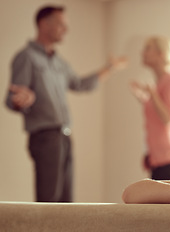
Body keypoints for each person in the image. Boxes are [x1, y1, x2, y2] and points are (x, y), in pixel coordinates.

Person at [4, 5, 127, 202]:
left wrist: (109, 68)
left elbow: (79, 84)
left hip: (65, 137)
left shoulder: (59, 62)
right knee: (49, 201)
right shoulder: (26, 57)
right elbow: (11, 100)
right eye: (61, 25)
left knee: (66, 202)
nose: (66, 30)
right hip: (44, 137)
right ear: (43, 24)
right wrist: (22, 100)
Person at [130, 36, 170, 180]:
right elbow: (155, 117)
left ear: (161, 53)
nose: (142, 53)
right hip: (156, 159)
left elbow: (168, 118)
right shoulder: (159, 83)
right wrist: (143, 97)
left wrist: (152, 94)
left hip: (169, 159)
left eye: (147, 48)